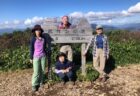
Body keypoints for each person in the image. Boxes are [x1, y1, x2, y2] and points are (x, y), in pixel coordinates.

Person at [30, 24, 48, 92]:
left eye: (39, 30)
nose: (38, 31)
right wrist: (31, 58)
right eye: (36, 30)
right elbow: (31, 49)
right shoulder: (33, 39)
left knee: (42, 70)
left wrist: (46, 53)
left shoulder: (43, 39)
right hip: (36, 57)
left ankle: (41, 82)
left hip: (43, 56)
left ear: (41, 31)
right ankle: (34, 84)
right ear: (34, 31)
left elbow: (44, 48)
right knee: (36, 71)